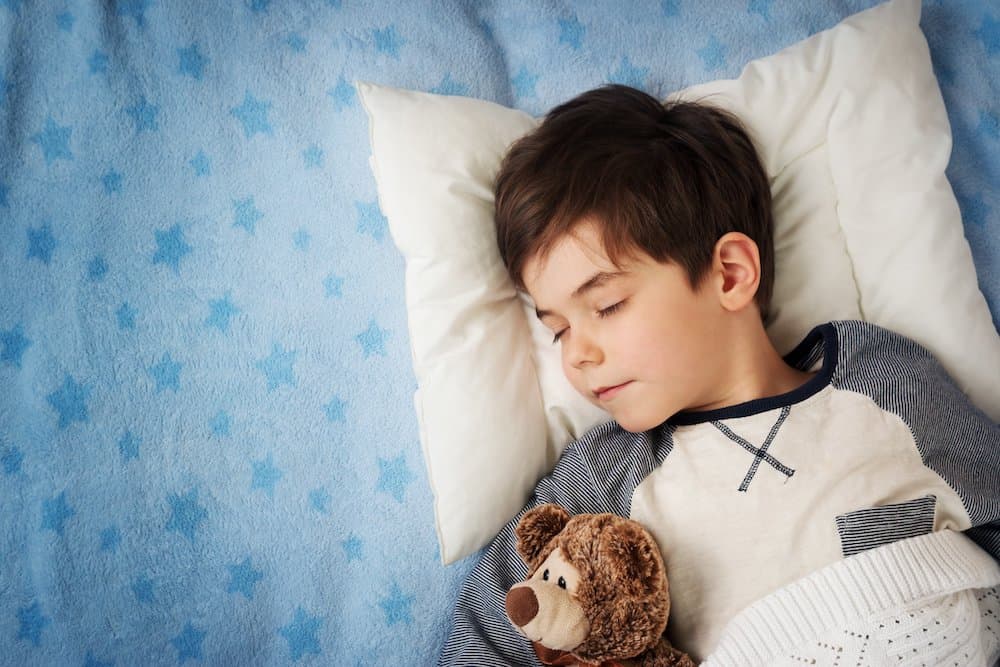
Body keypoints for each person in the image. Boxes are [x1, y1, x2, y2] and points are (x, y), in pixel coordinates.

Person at [437, 84, 1000, 665]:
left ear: (729, 274)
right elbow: (490, 630)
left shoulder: (878, 380)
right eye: (557, 329)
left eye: (606, 307)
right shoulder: (606, 478)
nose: (576, 355)